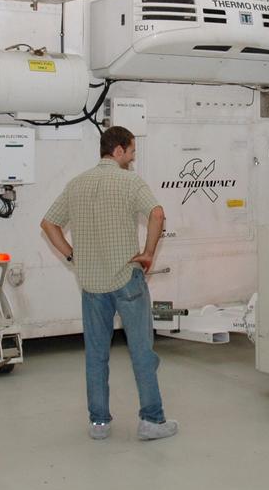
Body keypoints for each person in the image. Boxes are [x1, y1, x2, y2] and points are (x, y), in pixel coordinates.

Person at [40, 126, 177, 442]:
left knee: (96, 353)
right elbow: (157, 214)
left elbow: (48, 223)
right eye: (131, 151)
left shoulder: (77, 184)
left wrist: (72, 255)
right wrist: (148, 254)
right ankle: (151, 420)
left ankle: (99, 422)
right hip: (126, 278)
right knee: (142, 351)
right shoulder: (129, 182)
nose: (132, 158)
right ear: (118, 151)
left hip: (90, 283)